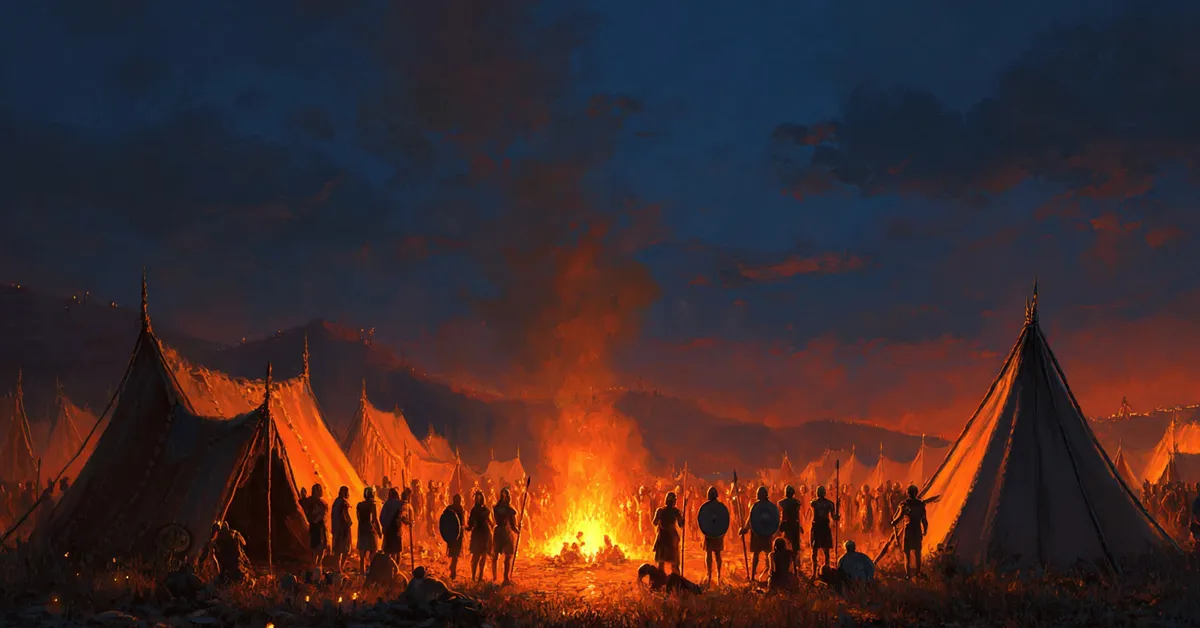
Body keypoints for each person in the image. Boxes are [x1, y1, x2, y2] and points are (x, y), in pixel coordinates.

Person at [738, 486, 774, 582]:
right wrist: (744, 529)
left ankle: (768, 575)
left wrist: (744, 529)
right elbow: (751, 519)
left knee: (765, 556)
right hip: (760, 534)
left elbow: (773, 520)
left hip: (762, 534)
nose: (757, 495)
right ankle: (754, 576)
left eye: (759, 493)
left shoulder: (764, 507)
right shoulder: (759, 506)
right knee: (760, 555)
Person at [892, 485, 928, 578]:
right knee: (917, 553)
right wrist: (925, 529)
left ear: (908, 493)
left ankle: (908, 574)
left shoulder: (905, 504)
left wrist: (893, 522)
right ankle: (917, 572)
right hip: (917, 530)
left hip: (908, 531)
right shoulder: (920, 504)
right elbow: (924, 520)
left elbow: (899, 517)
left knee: (907, 553)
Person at [491, 487, 520, 583]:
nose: (504, 497)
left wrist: (516, 530)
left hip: (506, 532)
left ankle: (505, 578)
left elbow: (512, 524)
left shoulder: (509, 509)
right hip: (499, 532)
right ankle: (494, 577)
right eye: (502, 494)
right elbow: (497, 519)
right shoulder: (497, 508)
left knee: (508, 555)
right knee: (495, 555)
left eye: (505, 495)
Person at [810, 485, 839, 578]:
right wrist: (837, 515)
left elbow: (834, 518)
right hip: (824, 527)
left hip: (817, 527)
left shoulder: (813, 503)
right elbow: (834, 517)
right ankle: (826, 570)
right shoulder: (830, 504)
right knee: (826, 551)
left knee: (815, 551)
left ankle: (814, 573)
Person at [652, 491, 683, 575]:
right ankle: (675, 581)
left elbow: (654, 522)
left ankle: (661, 580)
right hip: (671, 538)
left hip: (662, 537)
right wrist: (682, 517)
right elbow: (681, 524)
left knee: (661, 563)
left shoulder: (660, 510)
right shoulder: (675, 511)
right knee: (674, 563)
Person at [465, 491, 493, 581]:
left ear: (482, 498)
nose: (477, 499)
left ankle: (480, 577)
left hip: (485, 533)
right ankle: (473, 577)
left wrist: (495, 527)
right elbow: (470, 523)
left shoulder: (486, 509)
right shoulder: (474, 510)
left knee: (483, 556)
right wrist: (465, 526)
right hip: (477, 533)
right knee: (476, 556)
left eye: (479, 497)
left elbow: (489, 521)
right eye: (476, 498)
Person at [701, 487, 725, 585]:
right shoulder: (718, 506)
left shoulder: (718, 507)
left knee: (712, 554)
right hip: (712, 533)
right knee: (715, 554)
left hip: (713, 532)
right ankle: (712, 575)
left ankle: (714, 575)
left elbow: (724, 520)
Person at [778, 485, 804, 574]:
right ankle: (793, 566)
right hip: (793, 524)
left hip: (789, 525)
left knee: (790, 545)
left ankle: (794, 566)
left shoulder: (782, 502)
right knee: (792, 545)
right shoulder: (796, 502)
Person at [357, 486, 382, 573]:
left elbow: (358, 518)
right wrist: (379, 531)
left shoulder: (359, 505)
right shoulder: (373, 505)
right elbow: (375, 519)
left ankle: (362, 571)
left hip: (361, 529)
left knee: (362, 554)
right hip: (370, 530)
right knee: (373, 550)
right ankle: (371, 570)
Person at [380, 487, 410, 562]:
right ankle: (396, 568)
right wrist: (409, 522)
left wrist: (385, 526)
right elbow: (403, 517)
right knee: (398, 551)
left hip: (389, 530)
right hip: (397, 530)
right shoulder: (400, 504)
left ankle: (389, 567)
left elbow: (382, 518)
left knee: (388, 551)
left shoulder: (387, 504)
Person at [636, 563, 702, 594]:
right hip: (673, 580)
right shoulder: (654, 573)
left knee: (690, 589)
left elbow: (657, 584)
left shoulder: (654, 574)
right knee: (690, 588)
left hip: (673, 582)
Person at [307, 484, 329, 569]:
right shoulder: (312, 502)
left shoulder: (322, 503)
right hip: (316, 526)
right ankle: (315, 564)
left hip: (320, 526)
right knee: (316, 546)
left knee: (321, 546)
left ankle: (318, 564)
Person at [445, 493, 466, 579]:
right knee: (454, 553)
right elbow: (446, 520)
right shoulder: (450, 509)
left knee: (456, 553)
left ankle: (453, 569)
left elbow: (462, 522)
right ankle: (453, 570)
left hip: (458, 533)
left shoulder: (460, 509)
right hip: (453, 533)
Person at [331, 486, 352, 571]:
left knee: (338, 549)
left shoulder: (336, 501)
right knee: (345, 549)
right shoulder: (343, 502)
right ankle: (340, 567)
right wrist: (348, 522)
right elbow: (344, 514)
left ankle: (338, 566)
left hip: (337, 528)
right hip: (343, 529)